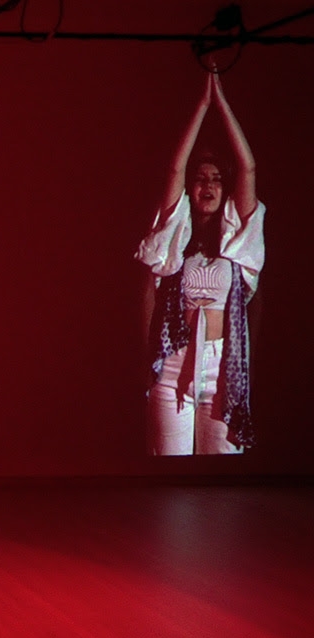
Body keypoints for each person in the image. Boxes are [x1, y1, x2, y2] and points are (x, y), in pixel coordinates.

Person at [136, 70, 263, 455]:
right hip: (174, 362)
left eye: (215, 179)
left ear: (223, 189)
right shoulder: (175, 236)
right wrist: (201, 105)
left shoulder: (237, 238)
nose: (207, 185)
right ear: (190, 189)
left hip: (223, 368)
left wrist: (220, 102)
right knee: (169, 474)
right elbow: (175, 168)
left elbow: (248, 168)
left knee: (221, 477)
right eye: (200, 178)